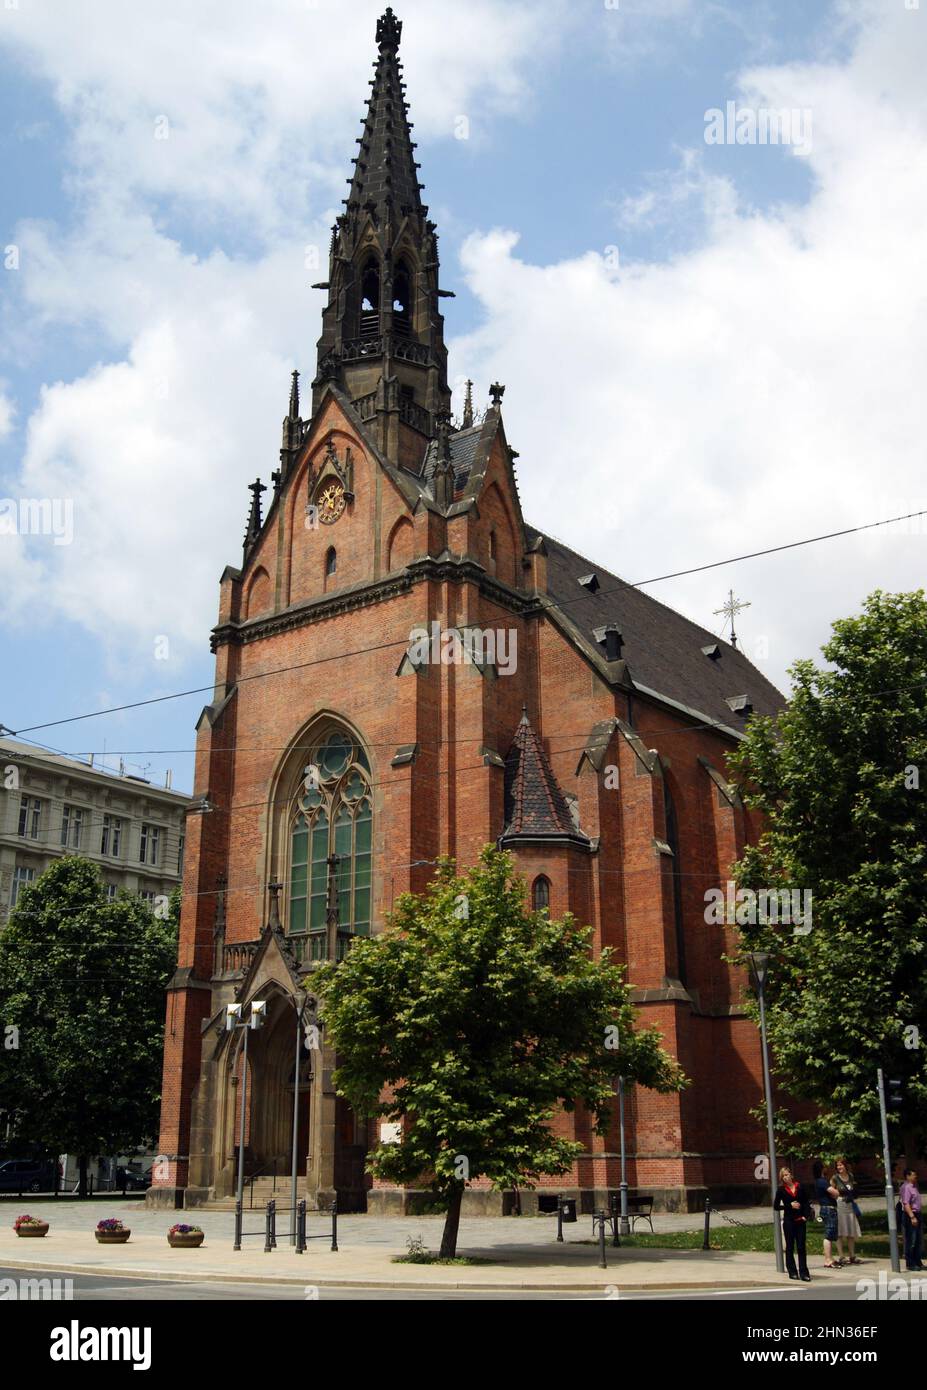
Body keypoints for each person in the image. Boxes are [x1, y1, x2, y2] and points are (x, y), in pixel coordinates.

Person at [774, 1165, 812, 1280]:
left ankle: (804, 1272)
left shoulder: (799, 1187)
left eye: (787, 1175)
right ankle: (792, 1271)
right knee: (790, 1246)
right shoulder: (781, 1190)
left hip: (800, 1220)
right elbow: (776, 1206)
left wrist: (806, 1216)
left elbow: (806, 1202)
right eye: (783, 1176)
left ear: (791, 1175)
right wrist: (789, 1205)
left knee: (801, 1246)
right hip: (789, 1221)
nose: (785, 1177)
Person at [832, 1158, 862, 1265]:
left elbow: (855, 1188)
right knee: (839, 1231)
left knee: (851, 1231)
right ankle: (841, 1256)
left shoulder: (851, 1176)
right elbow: (831, 1191)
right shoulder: (835, 1178)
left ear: (845, 1166)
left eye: (841, 1165)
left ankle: (852, 1255)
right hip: (840, 1204)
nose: (839, 1167)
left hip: (850, 1205)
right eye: (837, 1165)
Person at [813, 1159, 840, 1268]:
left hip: (826, 1208)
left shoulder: (819, 1181)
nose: (826, 1168)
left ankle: (830, 1257)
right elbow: (834, 1193)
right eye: (824, 1166)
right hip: (829, 1209)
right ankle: (828, 1259)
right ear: (821, 1169)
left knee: (831, 1233)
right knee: (829, 1234)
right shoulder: (822, 1181)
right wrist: (836, 1191)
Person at [900, 1168, 923, 1272]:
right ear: (907, 1176)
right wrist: (912, 1216)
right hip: (911, 1215)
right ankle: (910, 1263)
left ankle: (917, 1260)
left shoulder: (914, 1186)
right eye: (913, 1175)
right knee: (911, 1240)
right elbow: (906, 1203)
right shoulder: (906, 1187)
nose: (915, 1177)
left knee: (918, 1239)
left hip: (917, 1214)